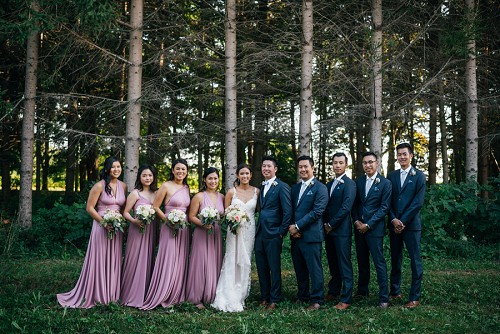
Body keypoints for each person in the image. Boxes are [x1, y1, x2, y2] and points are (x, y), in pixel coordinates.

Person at [57, 156, 127, 308]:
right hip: (101, 226)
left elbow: (122, 208)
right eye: (113, 167)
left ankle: (112, 293)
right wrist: (103, 222)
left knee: (114, 258)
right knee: (100, 258)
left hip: (116, 228)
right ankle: (98, 293)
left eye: (119, 166)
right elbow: (89, 208)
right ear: (108, 169)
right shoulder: (99, 186)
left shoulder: (124, 186)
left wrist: (118, 222)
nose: (117, 169)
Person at [140, 158, 191, 310]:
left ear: (186, 172)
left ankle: (176, 294)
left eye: (183, 169)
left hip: (183, 228)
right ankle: (162, 293)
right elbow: (155, 207)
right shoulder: (166, 186)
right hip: (169, 227)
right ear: (173, 170)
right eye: (178, 169)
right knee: (168, 259)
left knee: (180, 260)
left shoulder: (187, 187)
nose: (180, 171)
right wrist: (168, 221)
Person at [211, 163, 259, 312]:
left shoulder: (257, 191)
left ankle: (241, 295)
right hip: (235, 230)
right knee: (232, 259)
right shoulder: (231, 192)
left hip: (249, 230)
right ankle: (229, 294)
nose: (245, 176)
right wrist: (234, 219)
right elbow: (225, 214)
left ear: (251, 175)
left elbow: (258, 210)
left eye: (247, 173)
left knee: (245, 261)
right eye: (242, 174)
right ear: (237, 175)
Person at [387, 143, 425, 308]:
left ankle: (414, 297)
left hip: (411, 225)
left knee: (415, 260)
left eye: (404, 154)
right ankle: (395, 291)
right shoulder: (391, 176)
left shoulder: (419, 176)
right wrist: (394, 219)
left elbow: (418, 202)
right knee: (395, 258)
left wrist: (403, 221)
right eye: (399, 154)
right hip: (394, 224)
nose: (401, 157)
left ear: (411, 155)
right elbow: (386, 200)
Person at [352, 151, 392, 308]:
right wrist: (356, 221)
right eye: (365, 163)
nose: (367, 165)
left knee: (379, 262)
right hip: (359, 229)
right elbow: (354, 205)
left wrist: (368, 225)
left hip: (374, 230)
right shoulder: (358, 182)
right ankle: (362, 291)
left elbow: (384, 208)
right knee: (362, 261)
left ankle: (383, 297)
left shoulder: (385, 183)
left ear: (377, 163)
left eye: (370, 162)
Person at [289, 155, 328, 310]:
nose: (303, 169)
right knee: (300, 268)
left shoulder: (320, 188)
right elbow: (291, 210)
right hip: (296, 237)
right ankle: (303, 295)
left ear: (313, 168)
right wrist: (292, 227)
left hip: (312, 236)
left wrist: (298, 226)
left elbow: (317, 212)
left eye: (306, 166)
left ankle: (317, 299)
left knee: (314, 268)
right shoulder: (295, 189)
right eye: (300, 167)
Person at [255, 156, 292, 310]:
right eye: (264, 166)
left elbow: (288, 211)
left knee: (274, 267)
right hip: (260, 233)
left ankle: (275, 298)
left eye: (269, 166)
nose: (266, 169)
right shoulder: (262, 187)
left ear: (275, 169)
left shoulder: (282, 186)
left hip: (274, 233)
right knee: (261, 266)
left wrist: (281, 232)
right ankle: (265, 296)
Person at [185, 167, 225, 309]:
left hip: (216, 234)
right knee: (200, 263)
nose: (213, 181)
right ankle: (196, 298)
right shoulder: (199, 196)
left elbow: (224, 216)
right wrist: (203, 224)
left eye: (215, 178)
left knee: (214, 262)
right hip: (201, 234)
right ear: (204, 180)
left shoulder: (222, 197)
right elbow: (191, 217)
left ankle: (211, 295)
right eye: (210, 178)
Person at [121, 165, 158, 307]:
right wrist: (134, 221)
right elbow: (125, 212)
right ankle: (129, 293)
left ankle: (144, 293)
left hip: (150, 230)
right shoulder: (135, 193)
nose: (147, 178)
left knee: (148, 258)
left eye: (150, 175)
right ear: (139, 177)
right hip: (137, 230)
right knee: (134, 258)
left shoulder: (156, 194)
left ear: (153, 177)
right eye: (144, 175)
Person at [323, 152, 357, 310]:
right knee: (333, 263)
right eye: (335, 163)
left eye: (340, 163)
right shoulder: (329, 185)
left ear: (346, 165)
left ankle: (346, 298)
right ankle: (334, 290)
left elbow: (346, 208)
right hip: (328, 231)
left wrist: (331, 224)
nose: (337, 165)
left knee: (344, 264)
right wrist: (325, 225)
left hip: (341, 231)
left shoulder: (349, 184)